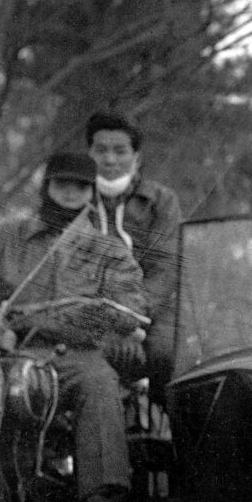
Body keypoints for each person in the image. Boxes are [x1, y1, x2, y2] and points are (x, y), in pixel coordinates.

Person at [0, 153, 149, 502]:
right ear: (46, 186)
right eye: (62, 183)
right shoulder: (4, 235)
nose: (70, 192)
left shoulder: (108, 250)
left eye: (80, 186)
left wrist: (96, 316)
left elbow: (131, 307)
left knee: (97, 381)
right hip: (5, 347)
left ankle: (98, 496)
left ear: (91, 192)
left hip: (73, 355)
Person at [85, 111, 183, 396]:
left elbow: (165, 268)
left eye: (120, 151)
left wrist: (129, 318)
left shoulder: (161, 201)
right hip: (86, 307)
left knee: (166, 355)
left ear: (136, 157)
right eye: (100, 150)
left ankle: (167, 435)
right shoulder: (75, 194)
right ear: (89, 153)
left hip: (150, 311)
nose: (110, 160)